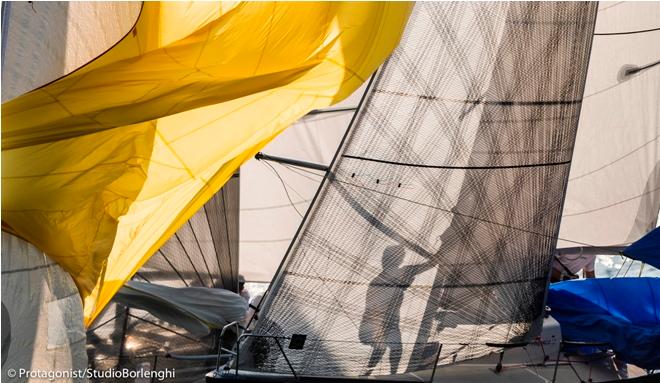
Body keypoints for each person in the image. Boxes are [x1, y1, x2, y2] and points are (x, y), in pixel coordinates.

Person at [359, 245, 435, 375]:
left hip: (372, 325)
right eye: (401, 257)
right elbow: (428, 265)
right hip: (382, 324)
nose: (402, 260)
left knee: (382, 348)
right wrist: (442, 254)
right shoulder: (399, 273)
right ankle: (392, 375)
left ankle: (368, 374)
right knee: (394, 349)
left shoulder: (376, 280)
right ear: (396, 259)